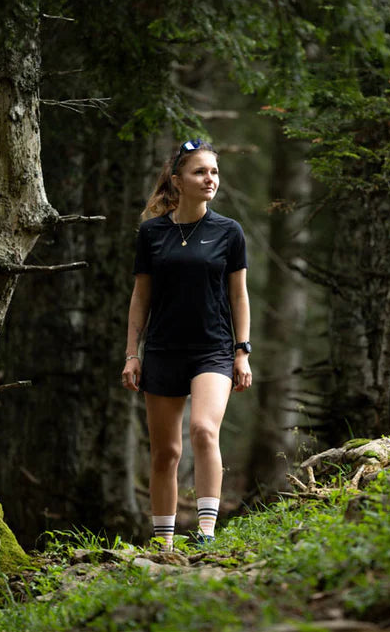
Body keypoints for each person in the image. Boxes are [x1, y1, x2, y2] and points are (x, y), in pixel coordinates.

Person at [121, 139, 252, 549]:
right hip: (161, 351)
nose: (209, 179)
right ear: (178, 181)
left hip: (213, 348)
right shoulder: (152, 233)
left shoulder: (229, 232)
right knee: (165, 453)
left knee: (203, 430)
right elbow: (140, 296)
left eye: (214, 171)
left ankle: (207, 533)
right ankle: (164, 543)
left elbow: (239, 296)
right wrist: (132, 354)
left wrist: (242, 350)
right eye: (200, 172)